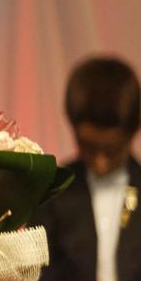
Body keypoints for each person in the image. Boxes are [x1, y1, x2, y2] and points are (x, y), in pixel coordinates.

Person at [34, 55, 141, 281]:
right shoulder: (54, 191)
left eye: (112, 150)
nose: (100, 162)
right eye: (88, 147)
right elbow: (37, 271)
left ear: (133, 132)